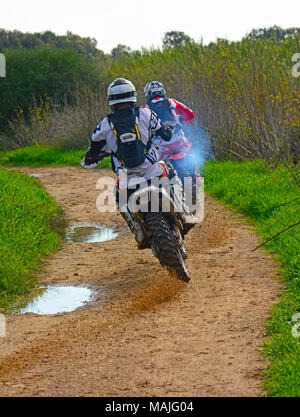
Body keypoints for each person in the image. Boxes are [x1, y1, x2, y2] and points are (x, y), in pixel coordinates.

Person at [81, 78, 175, 224]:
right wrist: (166, 130)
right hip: (153, 173)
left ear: (111, 100)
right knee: (169, 169)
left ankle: (137, 228)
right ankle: (182, 211)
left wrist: (92, 157)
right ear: (132, 95)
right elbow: (166, 134)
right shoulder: (146, 113)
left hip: (128, 180)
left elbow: (93, 149)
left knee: (118, 195)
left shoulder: (105, 125)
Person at [142, 81, 197, 182]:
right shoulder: (172, 102)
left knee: (154, 167)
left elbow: (142, 128)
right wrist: (181, 120)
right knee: (191, 151)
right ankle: (195, 178)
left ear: (148, 94)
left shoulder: (145, 109)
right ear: (162, 91)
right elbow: (190, 114)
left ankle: (161, 187)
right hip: (179, 141)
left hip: (160, 146)